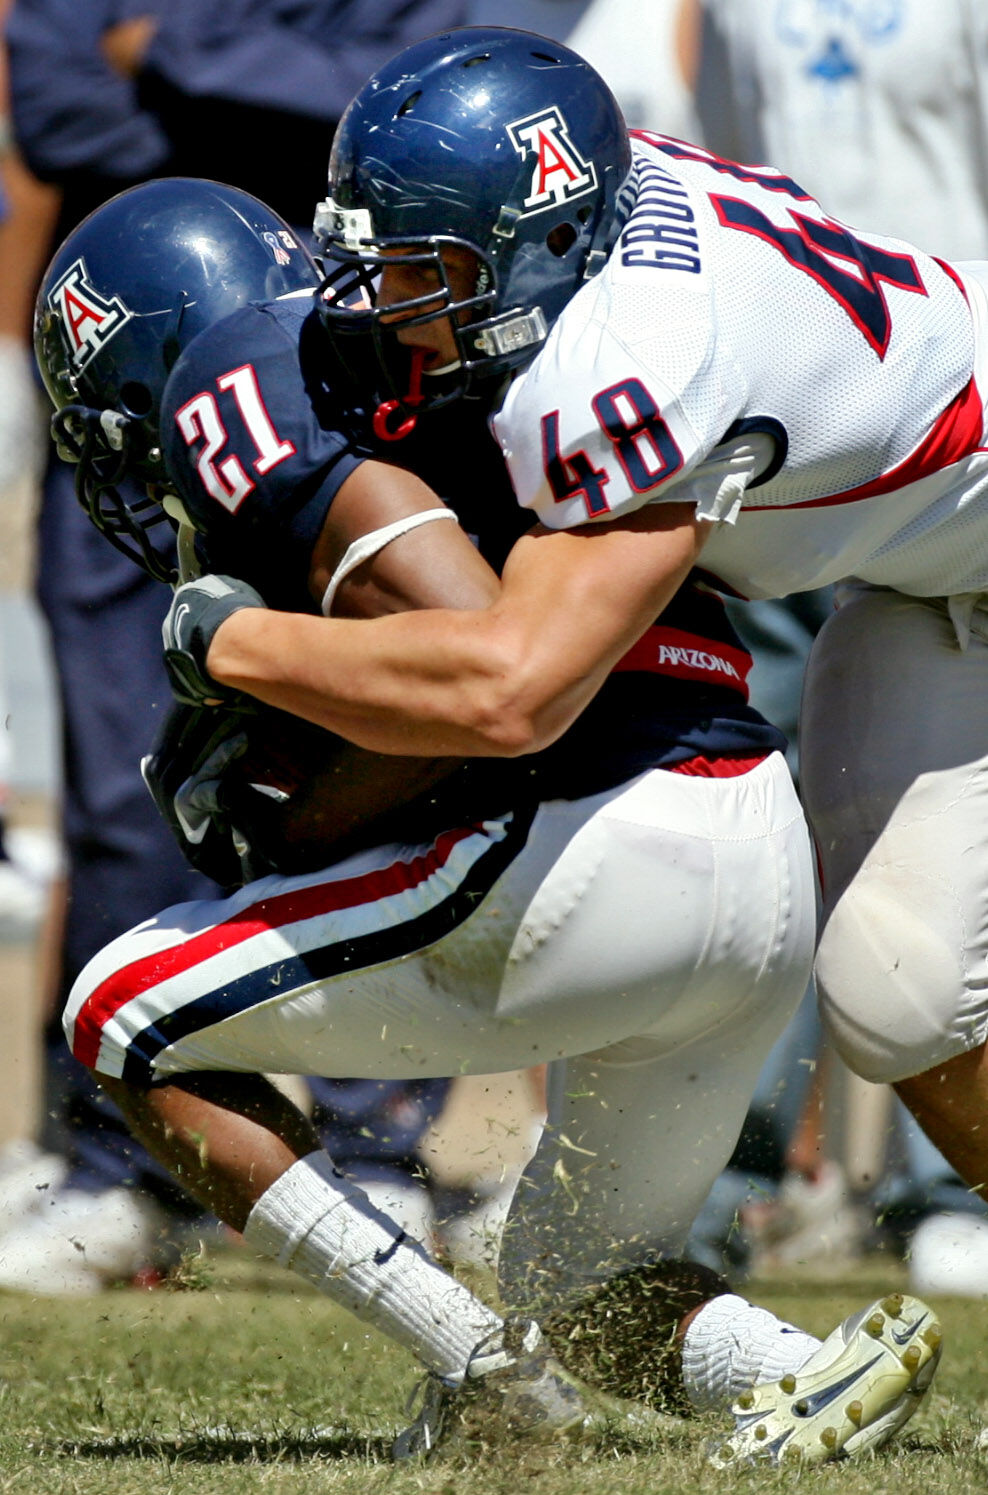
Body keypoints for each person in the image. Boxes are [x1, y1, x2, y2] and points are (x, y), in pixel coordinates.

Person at [37, 165, 939, 1492]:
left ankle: (475, 1368)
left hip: (614, 841)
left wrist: (279, 768)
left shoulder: (244, 384)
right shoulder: (425, 364)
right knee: (585, 1288)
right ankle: (804, 1373)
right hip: (753, 845)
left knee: (120, 1017)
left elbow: (473, 673)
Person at [0, 0, 468, 1292]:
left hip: (328, 388)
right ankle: (121, 1164)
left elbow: (407, 119)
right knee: (117, 781)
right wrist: (257, 92)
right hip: (121, 397)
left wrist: (170, 54)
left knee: (368, 741)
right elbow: (57, 102)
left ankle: (377, 1140)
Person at [687, 0, 988, 1291]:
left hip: (953, 432)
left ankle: (937, 1195)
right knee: (749, 820)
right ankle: (726, 1174)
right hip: (790, 447)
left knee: (934, 907)